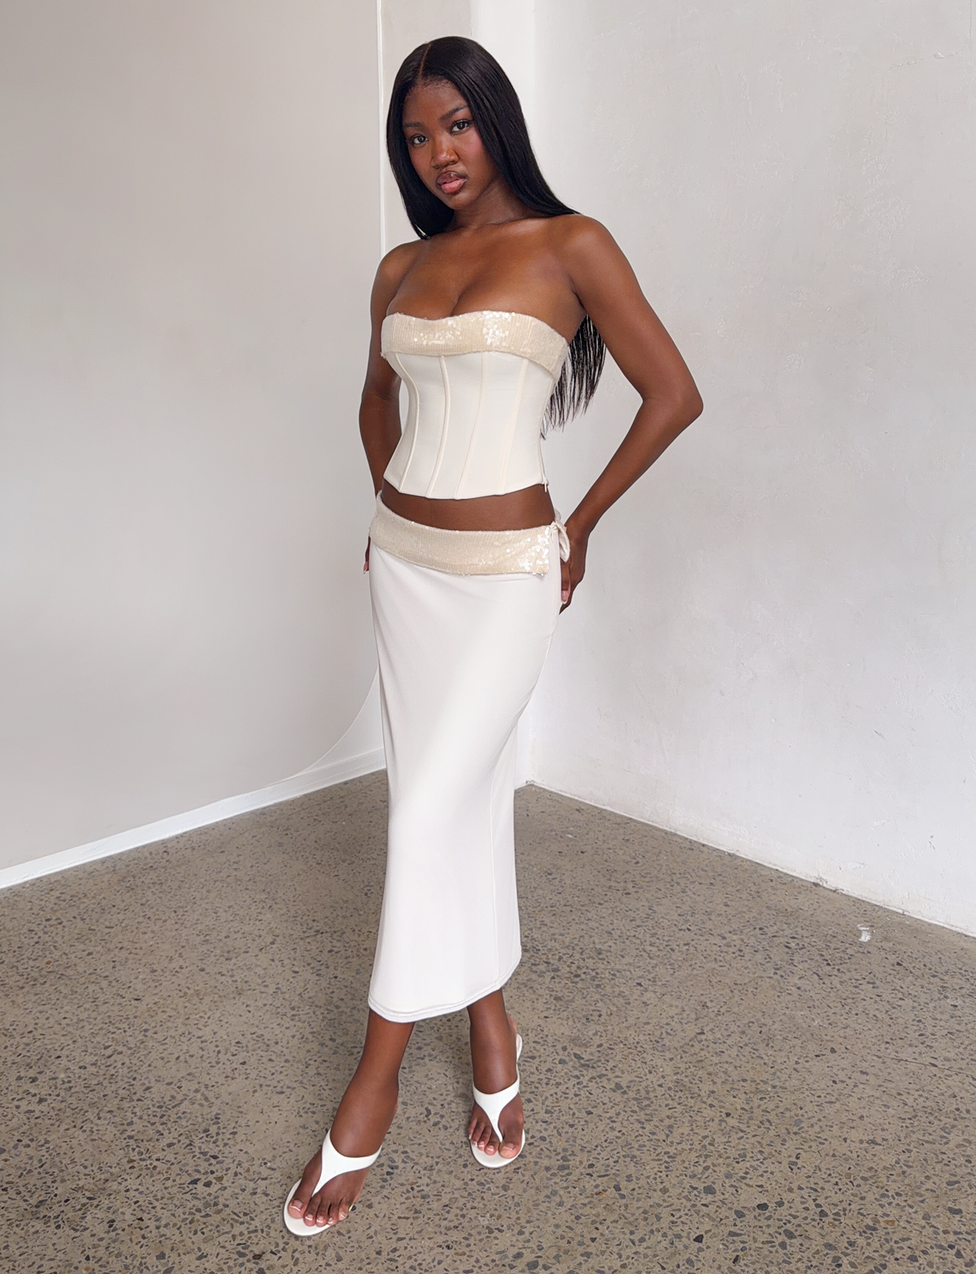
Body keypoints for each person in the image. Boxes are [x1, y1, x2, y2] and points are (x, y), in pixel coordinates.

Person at [283, 36, 702, 1234]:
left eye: (455, 125)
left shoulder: (573, 246)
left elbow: (671, 391)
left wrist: (584, 524)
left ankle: (371, 1083)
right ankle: (487, 1016)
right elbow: (375, 399)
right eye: (415, 137)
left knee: (418, 812)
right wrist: (384, 498)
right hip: (405, 572)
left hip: (509, 571)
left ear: (495, 121)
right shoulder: (400, 266)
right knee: (450, 800)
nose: (437, 153)